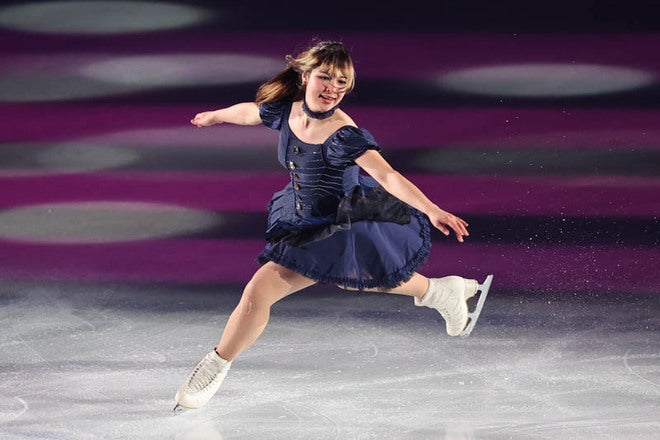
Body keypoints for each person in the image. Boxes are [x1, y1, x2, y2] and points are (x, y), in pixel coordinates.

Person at [173, 40, 492, 412]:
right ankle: (441, 292)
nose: (333, 88)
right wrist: (215, 115)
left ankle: (441, 292)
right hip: (303, 218)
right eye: (325, 78)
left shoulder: (343, 134)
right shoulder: (286, 111)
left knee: (315, 282)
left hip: (342, 221)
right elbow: (251, 112)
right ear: (305, 77)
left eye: (342, 82)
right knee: (279, 290)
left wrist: (431, 209)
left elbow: (387, 175)